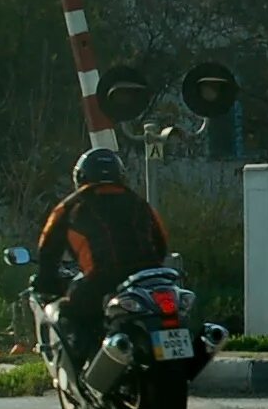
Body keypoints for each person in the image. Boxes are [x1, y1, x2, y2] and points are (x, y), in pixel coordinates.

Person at [32, 146, 170, 372]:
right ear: (120, 175)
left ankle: (84, 369)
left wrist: (47, 282)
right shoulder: (139, 203)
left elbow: (48, 249)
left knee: (68, 312)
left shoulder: (71, 206)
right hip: (150, 279)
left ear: (81, 176)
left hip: (103, 279)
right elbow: (162, 242)